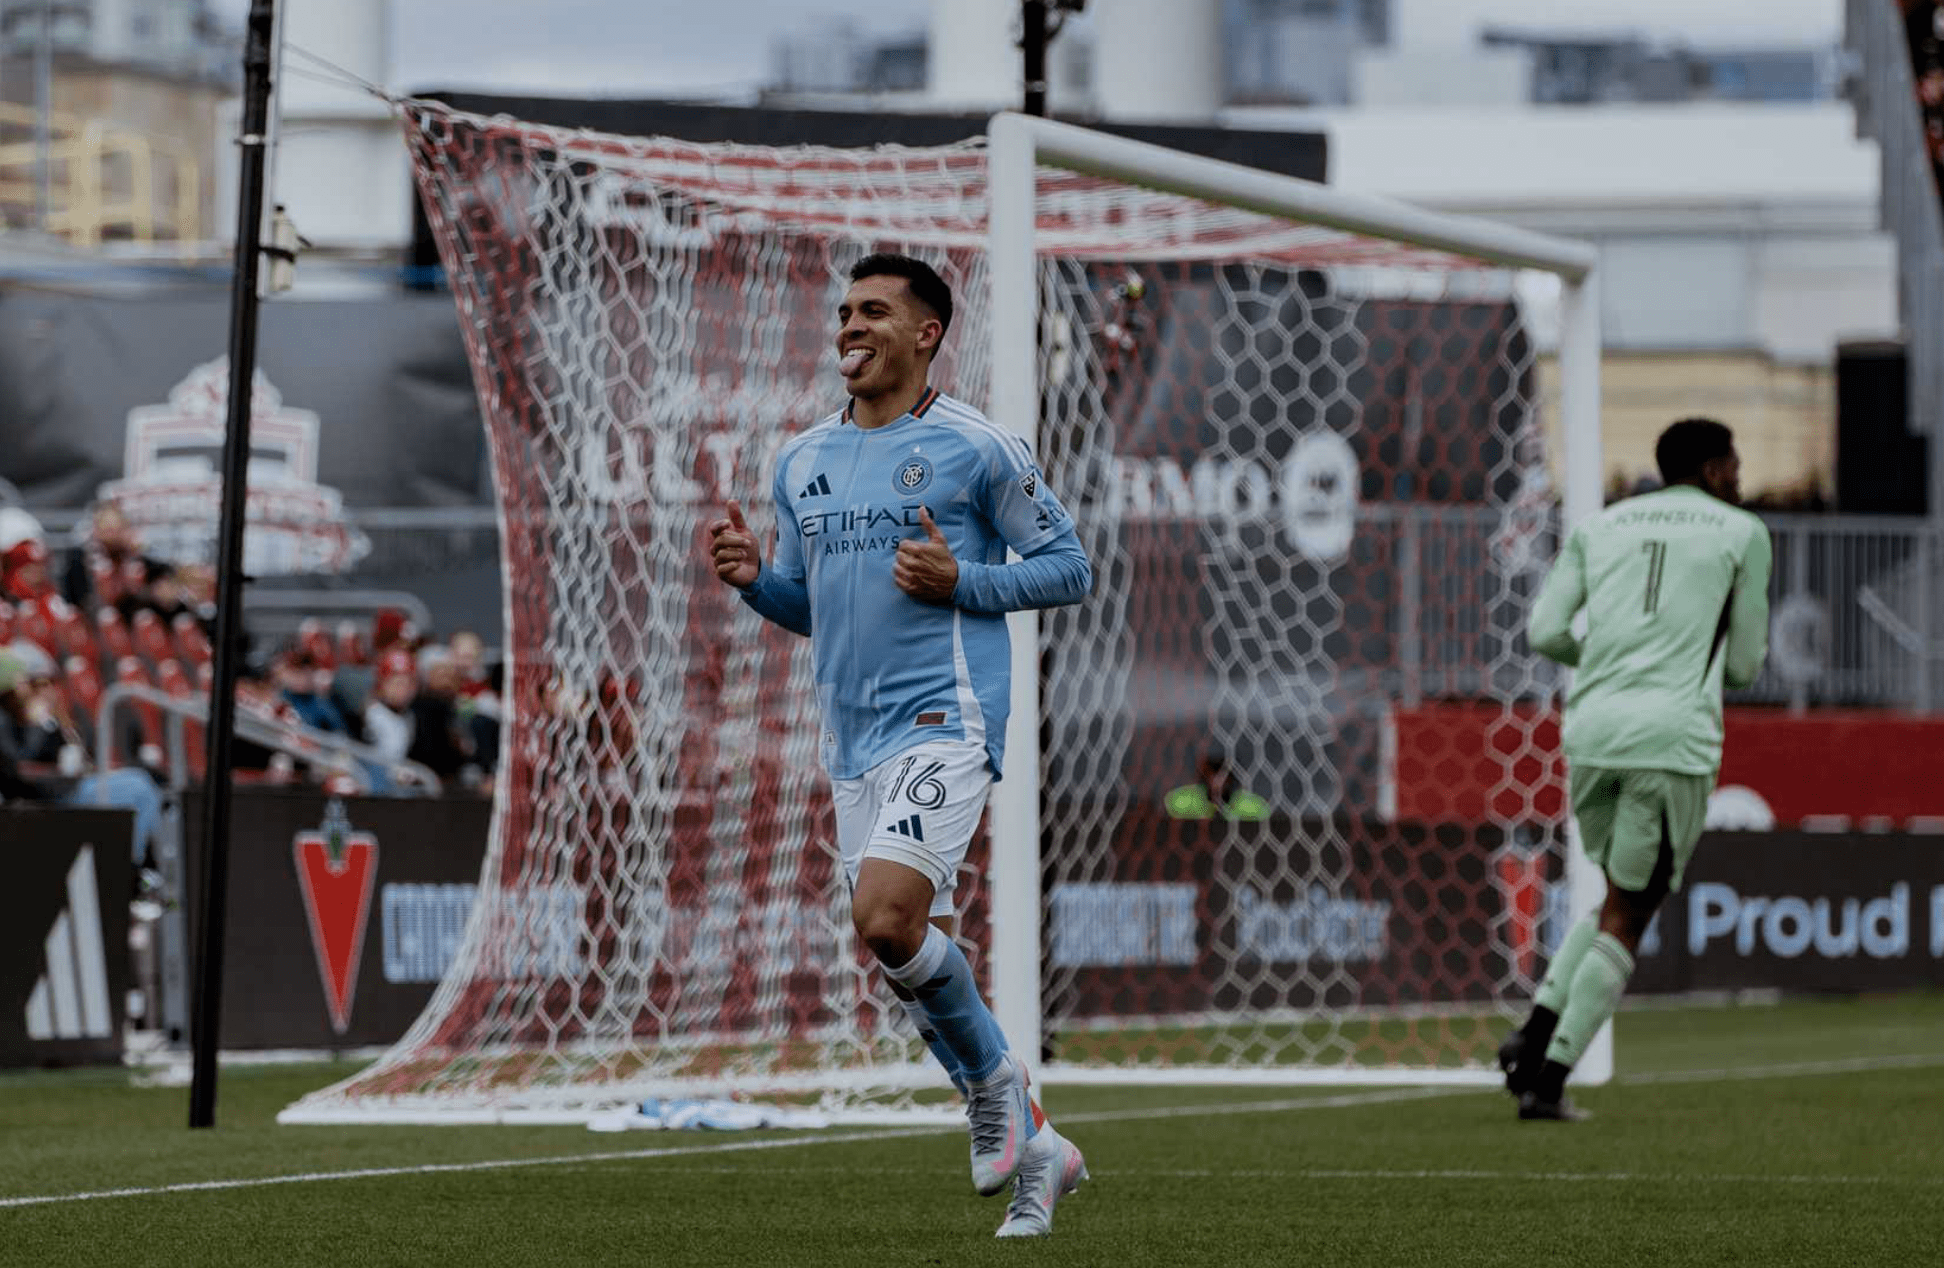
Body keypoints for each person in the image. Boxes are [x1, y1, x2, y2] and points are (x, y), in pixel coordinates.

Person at [706, 253, 1093, 1238]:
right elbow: (814, 608)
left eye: (874, 310)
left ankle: (995, 1100)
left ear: (926, 333)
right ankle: (1037, 1144)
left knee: (885, 916)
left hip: (947, 713)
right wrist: (757, 580)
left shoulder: (977, 447)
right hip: (853, 738)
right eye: (844, 309)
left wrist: (963, 579)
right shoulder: (802, 460)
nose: (850, 323)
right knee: (899, 947)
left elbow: (1068, 566)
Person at [1499, 417, 1772, 1121]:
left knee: (1615, 901)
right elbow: (1742, 666)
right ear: (1713, 469)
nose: (1740, 478)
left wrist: (1610, 667)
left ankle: (1528, 1043)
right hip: (1668, 740)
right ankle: (1548, 1082)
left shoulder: (1600, 526)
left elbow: (1544, 632)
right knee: (1630, 915)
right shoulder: (1743, 533)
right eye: (1734, 466)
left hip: (1590, 733)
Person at [1164, 749, 1271, 821]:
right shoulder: (1188, 799)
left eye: (1223, 771)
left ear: (1231, 776)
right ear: (1204, 773)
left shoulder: (1245, 803)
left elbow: (1264, 811)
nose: (1218, 778)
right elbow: (1171, 804)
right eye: (1213, 771)